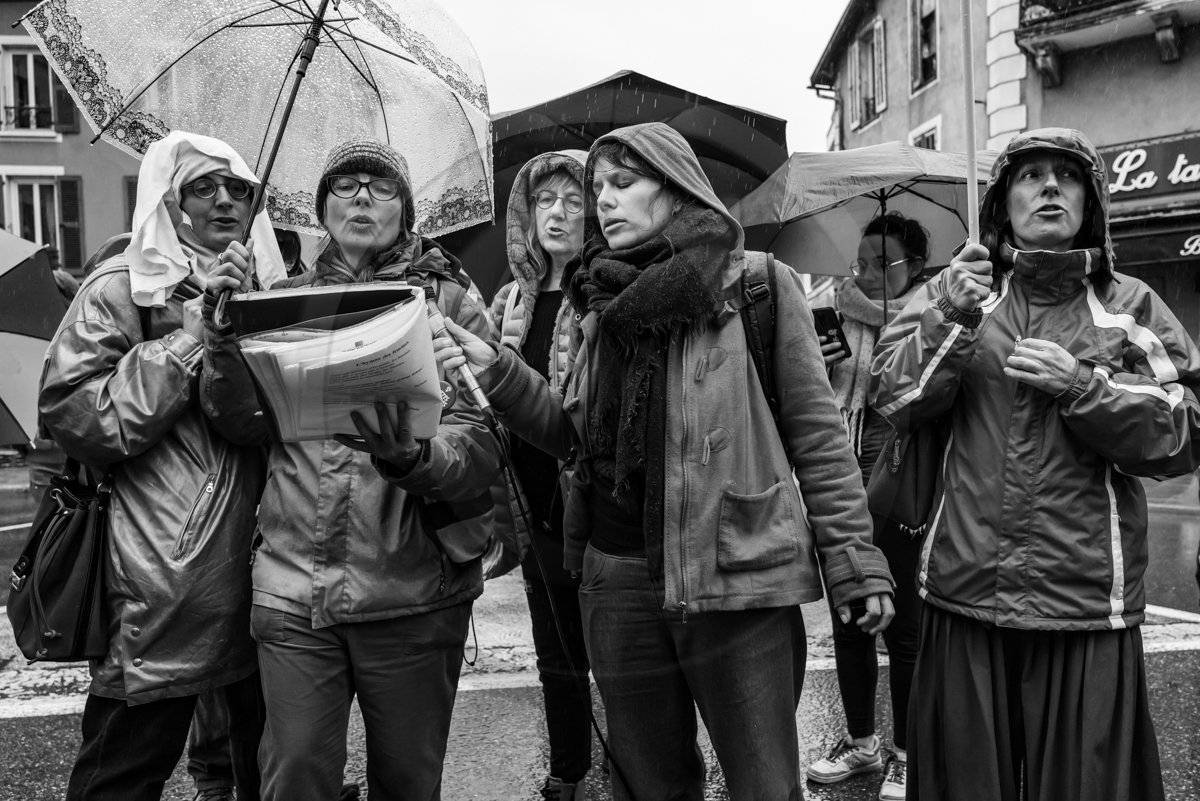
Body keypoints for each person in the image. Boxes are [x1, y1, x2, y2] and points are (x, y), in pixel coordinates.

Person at [438, 122, 895, 801]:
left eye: (623, 184)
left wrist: (855, 563)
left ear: (676, 187)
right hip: (618, 578)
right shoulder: (600, 302)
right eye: (600, 189)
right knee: (648, 786)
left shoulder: (757, 288)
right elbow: (574, 438)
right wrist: (500, 372)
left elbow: (819, 438)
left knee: (764, 782)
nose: (604, 202)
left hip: (737, 574)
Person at [870, 127, 1200, 801]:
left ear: (1091, 202)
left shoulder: (1134, 309)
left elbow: (1186, 433)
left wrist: (1086, 387)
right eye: (1030, 175)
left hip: (1083, 609)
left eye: (1067, 175)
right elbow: (893, 397)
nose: (1049, 186)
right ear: (1002, 204)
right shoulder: (960, 294)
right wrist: (947, 319)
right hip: (965, 597)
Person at [202, 138, 502, 801]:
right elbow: (242, 421)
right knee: (297, 775)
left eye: (381, 184)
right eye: (345, 184)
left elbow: (482, 443)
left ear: (406, 208)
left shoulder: (449, 301)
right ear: (320, 207)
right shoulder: (281, 299)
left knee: (407, 782)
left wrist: (414, 458)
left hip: (416, 592)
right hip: (293, 588)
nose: (362, 195)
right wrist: (223, 337)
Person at [39, 130, 287, 801]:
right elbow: (77, 414)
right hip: (160, 577)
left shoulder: (269, 292)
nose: (224, 201)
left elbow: (268, 424)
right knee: (123, 775)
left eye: (238, 188)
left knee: (269, 774)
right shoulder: (121, 286)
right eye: (202, 186)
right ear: (169, 203)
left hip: (267, 571)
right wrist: (186, 341)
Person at [805, 212, 929, 800]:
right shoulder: (830, 308)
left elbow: (921, 397)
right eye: (863, 262)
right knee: (850, 617)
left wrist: (895, 340)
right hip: (840, 476)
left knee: (904, 626)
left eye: (886, 262)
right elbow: (811, 396)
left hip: (902, 479)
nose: (870, 273)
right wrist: (819, 361)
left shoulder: (932, 314)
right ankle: (861, 745)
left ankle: (906, 755)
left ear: (918, 266)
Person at [487, 149, 592, 800]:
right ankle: (571, 767)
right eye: (544, 201)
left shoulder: (603, 291)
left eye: (573, 200)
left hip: (593, 502)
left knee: (617, 644)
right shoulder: (509, 300)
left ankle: (639, 759)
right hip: (531, 502)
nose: (556, 213)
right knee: (555, 650)